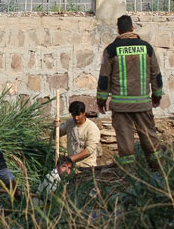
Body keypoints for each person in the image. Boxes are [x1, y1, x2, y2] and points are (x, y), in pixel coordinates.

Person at [96, 15, 164, 166]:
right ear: (133, 28)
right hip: (142, 104)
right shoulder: (147, 48)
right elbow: (156, 75)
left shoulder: (111, 50)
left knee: (125, 143)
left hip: (121, 107)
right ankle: (159, 171)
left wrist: (101, 101)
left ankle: (130, 177)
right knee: (150, 138)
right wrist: (157, 95)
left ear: (118, 30)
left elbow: (104, 78)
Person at [59, 100, 101, 169]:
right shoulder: (69, 123)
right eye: (73, 115)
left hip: (86, 166)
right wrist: (56, 127)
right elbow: (57, 133)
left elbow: (89, 150)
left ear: (84, 113)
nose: (76, 118)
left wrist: (70, 159)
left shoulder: (92, 128)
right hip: (72, 166)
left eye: (78, 115)